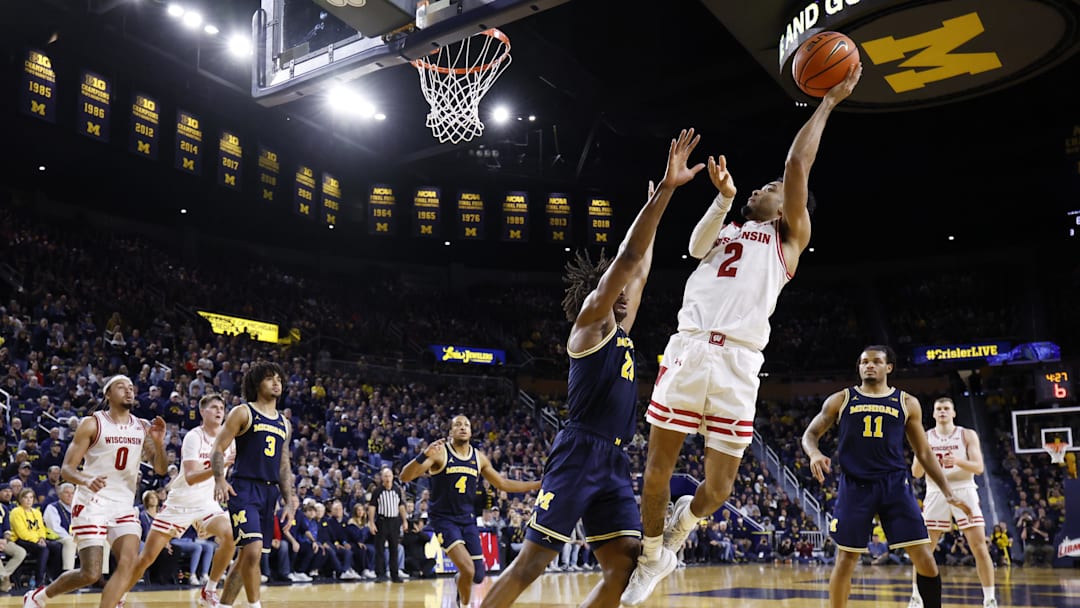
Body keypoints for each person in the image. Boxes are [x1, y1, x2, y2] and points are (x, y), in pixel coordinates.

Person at [620, 64, 864, 607]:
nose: (765, 187)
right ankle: (652, 555)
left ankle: (681, 529)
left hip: (738, 362)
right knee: (656, 470)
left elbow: (798, 162)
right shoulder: (728, 225)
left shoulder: (789, 240)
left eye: (772, 189)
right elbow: (692, 246)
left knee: (720, 490)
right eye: (764, 186)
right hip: (688, 348)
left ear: (791, 208)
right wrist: (723, 198)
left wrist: (827, 101)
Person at [481, 127, 706, 608]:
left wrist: (657, 209)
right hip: (579, 451)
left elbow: (639, 267)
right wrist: (667, 189)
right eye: (614, 289)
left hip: (614, 460)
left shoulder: (622, 331)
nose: (626, 293)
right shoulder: (590, 325)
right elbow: (626, 261)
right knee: (533, 563)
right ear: (596, 295)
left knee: (624, 566)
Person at [800, 345, 973, 608]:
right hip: (855, 486)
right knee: (845, 559)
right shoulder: (841, 399)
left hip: (894, 485)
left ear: (888, 367)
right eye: (864, 362)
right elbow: (810, 434)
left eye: (876, 362)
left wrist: (948, 491)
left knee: (925, 557)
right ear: (859, 367)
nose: (869, 365)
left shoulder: (907, 402)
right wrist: (813, 453)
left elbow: (924, 453)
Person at [22, 374, 167, 608]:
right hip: (92, 502)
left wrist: (160, 444)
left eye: (131, 387)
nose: (129, 391)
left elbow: (160, 469)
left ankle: (113, 600)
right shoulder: (92, 423)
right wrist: (86, 479)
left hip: (123, 505)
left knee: (130, 563)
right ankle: (39, 597)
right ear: (108, 394)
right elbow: (67, 469)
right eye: (122, 387)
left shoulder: (142, 426)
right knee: (90, 573)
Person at [399, 415, 541, 606]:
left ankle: (460, 588)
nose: (463, 427)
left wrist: (537, 485)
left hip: (467, 519)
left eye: (466, 424)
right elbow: (405, 476)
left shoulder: (478, 457)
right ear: (451, 432)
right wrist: (424, 454)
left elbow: (503, 483)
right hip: (443, 519)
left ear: (471, 431)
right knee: (468, 569)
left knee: (478, 575)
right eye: (457, 425)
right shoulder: (440, 453)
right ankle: (464, 605)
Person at [119, 394, 237, 608]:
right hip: (180, 503)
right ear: (202, 412)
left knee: (230, 535)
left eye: (222, 407)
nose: (219, 411)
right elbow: (191, 477)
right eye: (213, 407)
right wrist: (217, 467)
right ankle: (120, 595)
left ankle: (209, 590)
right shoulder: (194, 436)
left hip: (207, 504)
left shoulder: (229, 440)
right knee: (147, 557)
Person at [212, 362, 295, 608]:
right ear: (256, 383)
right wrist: (219, 478)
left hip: (269, 493)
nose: (276, 382)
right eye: (270, 378)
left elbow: (283, 466)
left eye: (279, 378)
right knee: (252, 551)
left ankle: (224, 605)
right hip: (244, 487)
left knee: (247, 557)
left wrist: (289, 501)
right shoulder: (243, 412)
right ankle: (255, 605)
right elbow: (218, 447)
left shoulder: (284, 423)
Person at [908, 397, 996, 608]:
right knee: (924, 550)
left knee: (979, 546)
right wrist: (924, 453)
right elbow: (916, 473)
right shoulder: (926, 436)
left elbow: (978, 467)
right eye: (938, 409)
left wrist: (956, 460)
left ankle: (989, 599)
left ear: (954, 413)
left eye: (946, 408)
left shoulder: (966, 434)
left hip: (964, 489)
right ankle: (916, 598)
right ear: (933, 413)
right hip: (936, 491)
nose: (942, 412)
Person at [366, 467, 407, 583]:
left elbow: (401, 506)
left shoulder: (397, 490)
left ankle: (395, 574)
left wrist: (404, 521)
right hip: (382, 521)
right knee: (380, 549)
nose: (388, 478)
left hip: (394, 521)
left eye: (389, 476)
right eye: (385, 476)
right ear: (382, 478)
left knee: (394, 548)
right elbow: (372, 507)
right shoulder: (377, 491)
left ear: (393, 477)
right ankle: (380, 574)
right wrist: (371, 523)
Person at [41, 482, 76, 572]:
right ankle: (68, 573)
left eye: (72, 493)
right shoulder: (52, 507)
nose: (70, 495)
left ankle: (99, 575)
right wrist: (71, 536)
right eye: (66, 493)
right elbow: (54, 528)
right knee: (70, 542)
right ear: (60, 495)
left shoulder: (76, 508)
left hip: (74, 536)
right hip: (57, 537)